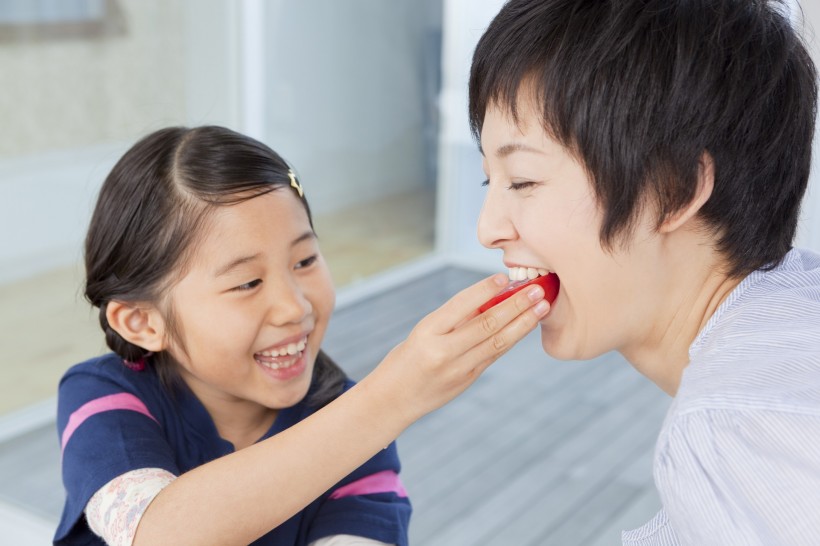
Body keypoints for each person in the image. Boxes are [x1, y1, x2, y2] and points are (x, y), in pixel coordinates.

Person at [55, 125, 550, 546]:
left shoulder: (359, 436)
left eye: (305, 260)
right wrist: (392, 396)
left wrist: (376, 411)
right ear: (143, 323)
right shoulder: (104, 396)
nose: (295, 306)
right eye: (248, 283)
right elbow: (155, 533)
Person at [469, 0, 820, 544]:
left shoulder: (736, 426)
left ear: (676, 190)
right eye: (487, 181)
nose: (487, 229)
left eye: (523, 180)